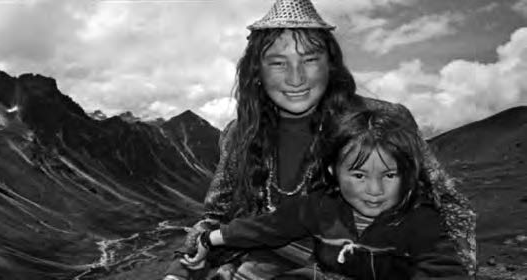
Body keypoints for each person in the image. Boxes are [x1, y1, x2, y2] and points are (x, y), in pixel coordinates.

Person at [164, 0, 476, 279]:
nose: (296, 77)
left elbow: (450, 207)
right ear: (256, 71)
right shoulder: (239, 134)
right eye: (277, 62)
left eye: (310, 59)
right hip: (267, 257)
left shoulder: (382, 121)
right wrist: (183, 264)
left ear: (331, 65)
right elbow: (217, 216)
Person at [182, 110, 470, 280]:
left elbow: (444, 271)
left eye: (390, 175)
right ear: (333, 170)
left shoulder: (419, 220)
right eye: (358, 175)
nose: (375, 190)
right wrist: (209, 238)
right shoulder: (319, 207)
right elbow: (266, 228)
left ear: (408, 173)